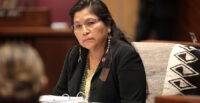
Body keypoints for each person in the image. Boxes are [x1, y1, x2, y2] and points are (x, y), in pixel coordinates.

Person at [53, 0, 147, 102]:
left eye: (91, 23)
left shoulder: (125, 56)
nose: (84, 31)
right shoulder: (75, 54)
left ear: (108, 25)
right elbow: (59, 95)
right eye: (78, 26)